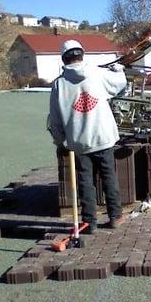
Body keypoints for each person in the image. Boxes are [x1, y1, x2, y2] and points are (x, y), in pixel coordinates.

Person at [48, 39, 128, 234]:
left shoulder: (59, 85)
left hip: (79, 142)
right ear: (82, 54)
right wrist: (119, 70)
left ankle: (89, 222)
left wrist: (60, 141)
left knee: (85, 182)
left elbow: (55, 118)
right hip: (103, 137)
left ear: (64, 59)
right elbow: (120, 83)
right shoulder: (97, 73)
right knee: (109, 177)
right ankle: (115, 216)